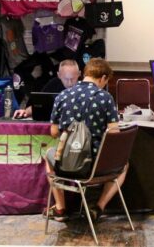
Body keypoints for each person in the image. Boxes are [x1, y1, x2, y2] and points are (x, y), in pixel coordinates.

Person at [43, 58, 121, 222]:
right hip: (94, 166)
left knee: (48, 156)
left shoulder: (62, 96)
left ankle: (60, 208)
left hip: (66, 165)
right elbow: (114, 134)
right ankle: (98, 207)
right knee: (124, 165)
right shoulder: (105, 98)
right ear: (103, 78)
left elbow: (53, 132)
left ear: (84, 74)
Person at [13, 59, 81, 119]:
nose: (69, 83)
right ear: (59, 75)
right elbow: (40, 104)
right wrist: (25, 112)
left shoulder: (85, 87)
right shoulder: (53, 83)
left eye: (72, 78)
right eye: (66, 79)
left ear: (79, 74)